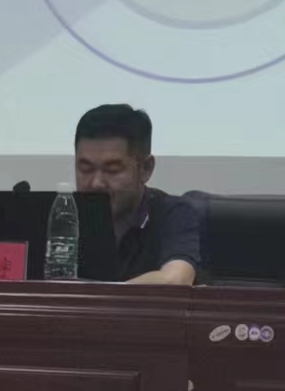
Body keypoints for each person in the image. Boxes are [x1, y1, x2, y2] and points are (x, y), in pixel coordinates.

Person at [74, 104, 201, 286]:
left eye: (112, 170)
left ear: (146, 169)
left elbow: (176, 279)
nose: (96, 183)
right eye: (85, 169)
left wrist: (99, 296)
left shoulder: (172, 213)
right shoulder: (64, 216)